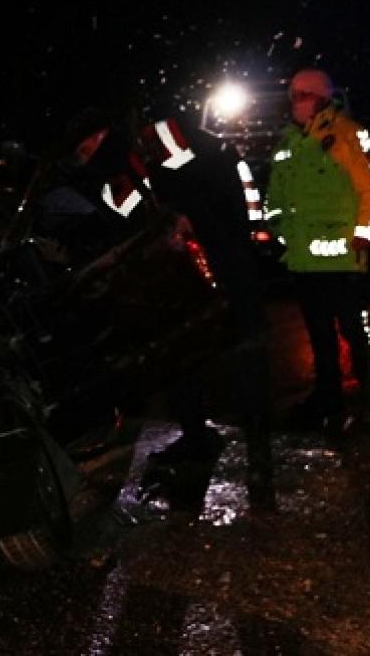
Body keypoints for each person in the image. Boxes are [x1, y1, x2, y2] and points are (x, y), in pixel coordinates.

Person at [28, 103, 270, 471]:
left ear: (99, 135)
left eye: (84, 148)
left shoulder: (157, 137)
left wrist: (192, 224)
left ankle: (258, 450)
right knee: (179, 357)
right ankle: (197, 440)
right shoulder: (113, 178)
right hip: (176, 273)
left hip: (217, 260)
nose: (83, 158)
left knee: (239, 350)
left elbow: (210, 179)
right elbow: (125, 228)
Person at [265, 69, 370, 432]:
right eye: (292, 96)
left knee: (352, 327)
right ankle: (328, 398)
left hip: (343, 257)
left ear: (320, 97)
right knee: (319, 334)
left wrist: (365, 233)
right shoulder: (287, 143)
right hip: (304, 261)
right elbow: (276, 199)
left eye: (301, 95)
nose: (295, 102)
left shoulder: (347, 134)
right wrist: (280, 233)